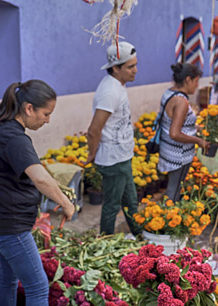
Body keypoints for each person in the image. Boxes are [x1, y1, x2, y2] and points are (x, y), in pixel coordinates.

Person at [0, 80, 76, 306]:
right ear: (29, 108)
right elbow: (41, 178)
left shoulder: (5, 131)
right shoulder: (14, 138)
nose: (48, 120)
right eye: (46, 113)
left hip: (0, 222)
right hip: (11, 227)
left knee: (8, 278)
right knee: (38, 286)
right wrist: (66, 203)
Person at [85, 41, 141, 236]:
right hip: (113, 159)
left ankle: (140, 236)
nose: (135, 70)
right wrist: (92, 154)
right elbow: (94, 130)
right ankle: (106, 241)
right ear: (116, 68)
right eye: (130, 66)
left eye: (135, 64)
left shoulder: (117, 85)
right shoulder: (110, 91)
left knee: (130, 202)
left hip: (121, 156)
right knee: (112, 206)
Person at [157, 63, 209, 202]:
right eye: (196, 81)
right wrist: (199, 140)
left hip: (169, 150)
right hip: (179, 155)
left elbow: (171, 121)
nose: (197, 85)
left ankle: (168, 216)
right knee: (173, 192)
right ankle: (169, 219)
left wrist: (194, 127)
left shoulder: (169, 93)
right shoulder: (182, 102)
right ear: (188, 80)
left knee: (172, 188)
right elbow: (175, 133)